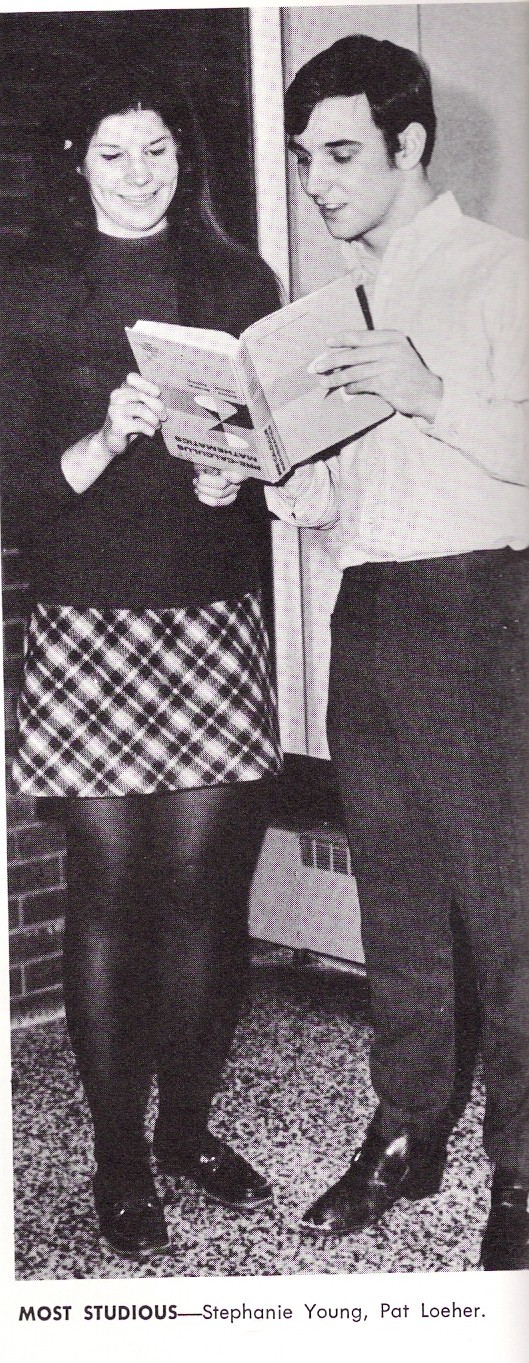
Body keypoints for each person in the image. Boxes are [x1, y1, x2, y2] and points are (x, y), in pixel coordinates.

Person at [195, 35, 529, 1270]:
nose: (316, 182)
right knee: (394, 898)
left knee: (500, 906)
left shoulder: (503, 271)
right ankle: (406, 1131)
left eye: (339, 154)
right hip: (372, 605)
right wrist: (267, 479)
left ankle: (524, 1171)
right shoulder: (333, 306)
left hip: (471, 603)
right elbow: (344, 496)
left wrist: (425, 387)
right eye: (303, 158)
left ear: (409, 144)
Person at [1, 63, 283, 1260]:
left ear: (185, 154)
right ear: (77, 165)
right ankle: (119, 1155)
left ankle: (185, 1129)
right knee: (111, 888)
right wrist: (103, 438)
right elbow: (16, 494)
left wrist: (234, 481)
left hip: (210, 613)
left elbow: (266, 461)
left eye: (158, 149)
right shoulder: (28, 292)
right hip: (89, 619)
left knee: (207, 889)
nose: (139, 174)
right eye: (113, 153)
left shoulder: (238, 282)